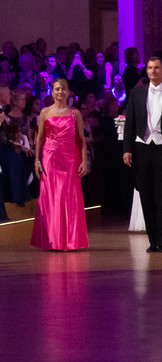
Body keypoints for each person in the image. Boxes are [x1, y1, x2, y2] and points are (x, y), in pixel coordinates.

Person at [122, 57, 162, 252]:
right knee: (146, 195)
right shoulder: (136, 93)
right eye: (150, 68)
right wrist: (127, 149)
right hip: (142, 148)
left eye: (157, 68)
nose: (153, 71)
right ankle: (152, 240)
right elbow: (130, 123)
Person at [31, 79, 89, 250]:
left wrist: (84, 161)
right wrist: (37, 160)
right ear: (52, 91)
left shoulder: (75, 113)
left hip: (70, 160)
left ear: (68, 92)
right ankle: (52, 240)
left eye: (63, 89)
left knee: (69, 196)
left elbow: (81, 140)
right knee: (52, 197)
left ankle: (69, 240)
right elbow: (39, 139)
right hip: (50, 159)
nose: (60, 92)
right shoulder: (45, 112)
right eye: (57, 89)